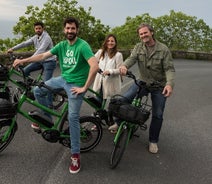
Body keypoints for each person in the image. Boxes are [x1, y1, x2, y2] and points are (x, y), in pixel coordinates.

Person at [13, 17, 99, 174]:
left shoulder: (83, 45)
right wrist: (23, 60)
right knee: (38, 90)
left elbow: (94, 65)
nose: (70, 31)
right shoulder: (62, 45)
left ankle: (75, 155)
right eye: (67, 28)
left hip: (76, 85)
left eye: (73, 28)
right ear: (64, 29)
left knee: (72, 117)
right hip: (63, 79)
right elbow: (42, 56)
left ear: (77, 30)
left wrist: (84, 87)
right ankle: (47, 119)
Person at [113, 23, 175, 154]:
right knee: (124, 99)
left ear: (151, 32)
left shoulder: (163, 49)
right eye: (141, 34)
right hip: (143, 81)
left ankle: (153, 141)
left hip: (159, 86)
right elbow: (131, 58)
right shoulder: (138, 47)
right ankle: (119, 123)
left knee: (158, 114)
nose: (143, 36)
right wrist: (124, 66)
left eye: (145, 33)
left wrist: (169, 84)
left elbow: (169, 69)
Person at [91, 34, 123, 131]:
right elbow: (92, 61)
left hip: (111, 84)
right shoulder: (101, 52)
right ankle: (97, 123)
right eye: (108, 41)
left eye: (112, 41)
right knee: (98, 104)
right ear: (105, 42)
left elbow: (120, 70)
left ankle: (113, 123)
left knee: (111, 106)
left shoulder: (118, 55)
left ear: (115, 43)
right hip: (99, 83)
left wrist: (110, 71)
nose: (110, 43)